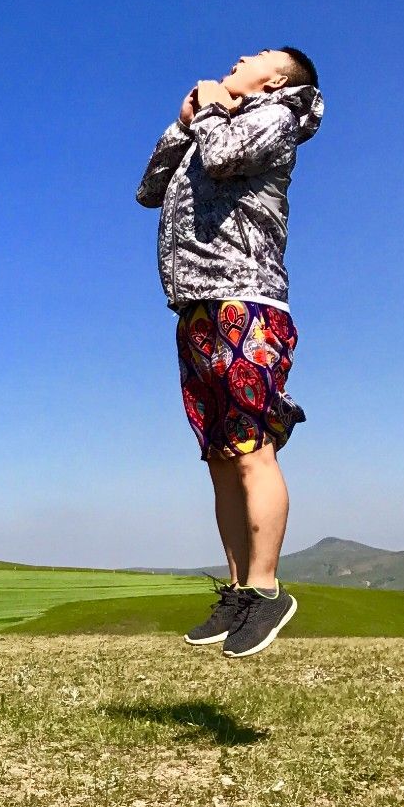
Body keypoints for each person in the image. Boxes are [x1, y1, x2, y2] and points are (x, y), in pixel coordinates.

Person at [137, 48, 323, 658]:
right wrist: (184, 122)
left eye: (256, 57)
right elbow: (150, 190)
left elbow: (222, 159)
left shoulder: (278, 117)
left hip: (246, 300)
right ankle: (240, 591)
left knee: (252, 450)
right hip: (195, 305)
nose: (238, 57)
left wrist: (214, 114)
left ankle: (268, 590)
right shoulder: (214, 123)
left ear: (273, 79)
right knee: (220, 454)